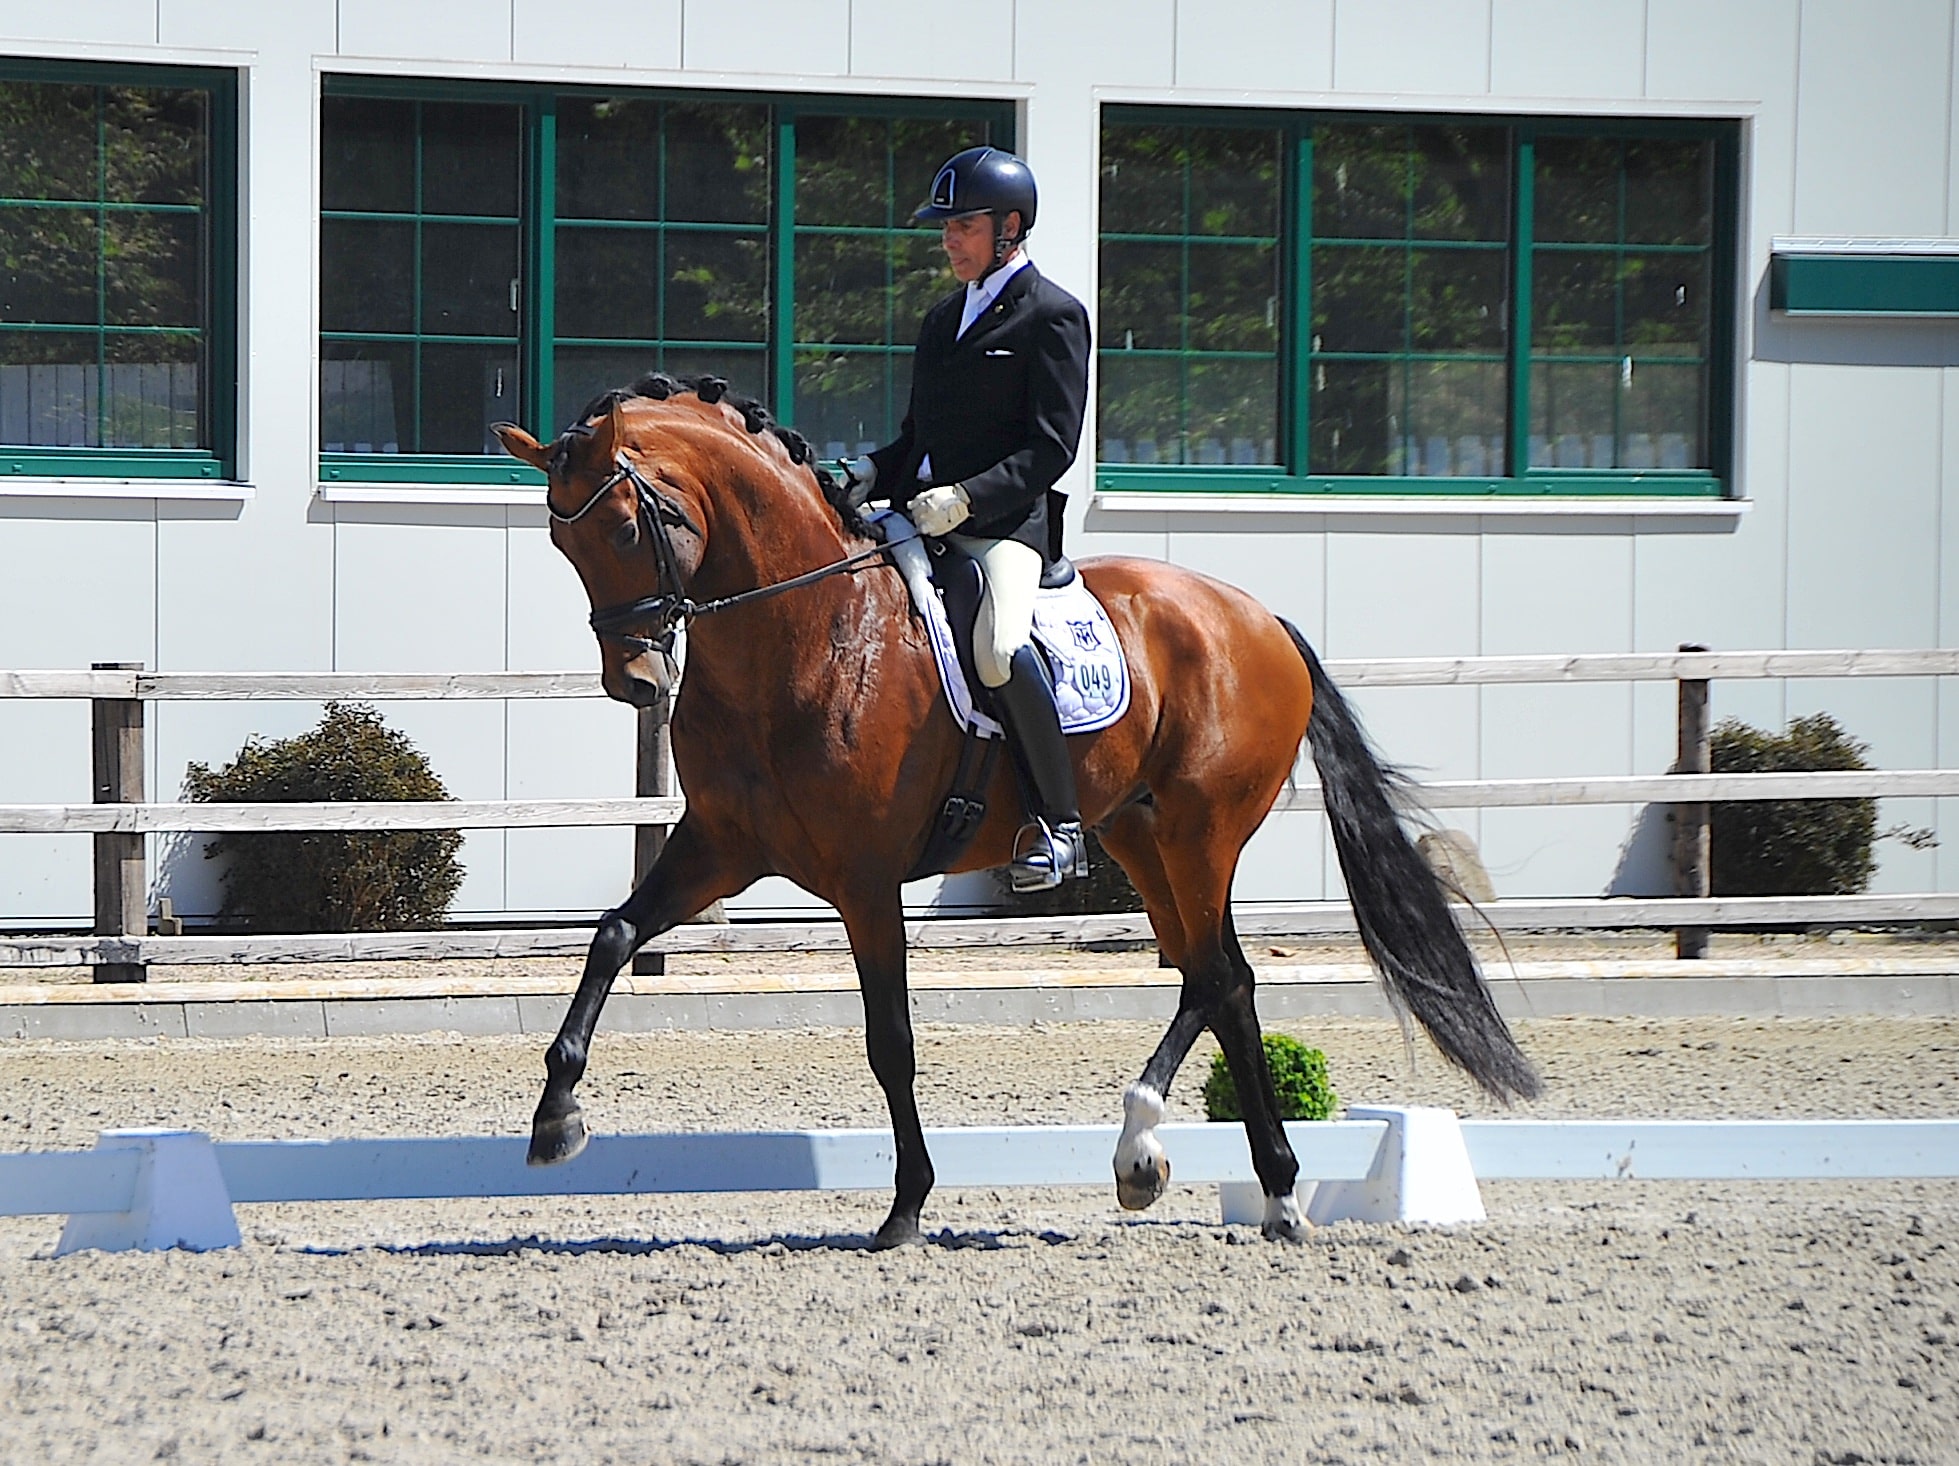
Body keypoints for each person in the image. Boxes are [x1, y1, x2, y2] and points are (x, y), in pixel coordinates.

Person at [842, 146, 1092, 891]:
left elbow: (1051, 447)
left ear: (1010, 228)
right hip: (922, 518)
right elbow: (916, 442)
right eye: (945, 228)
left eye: (964, 226)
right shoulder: (942, 319)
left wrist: (968, 498)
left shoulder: (1053, 316)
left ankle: (1062, 825)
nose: (948, 240)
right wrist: (863, 472)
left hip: (1005, 528)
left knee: (998, 647)